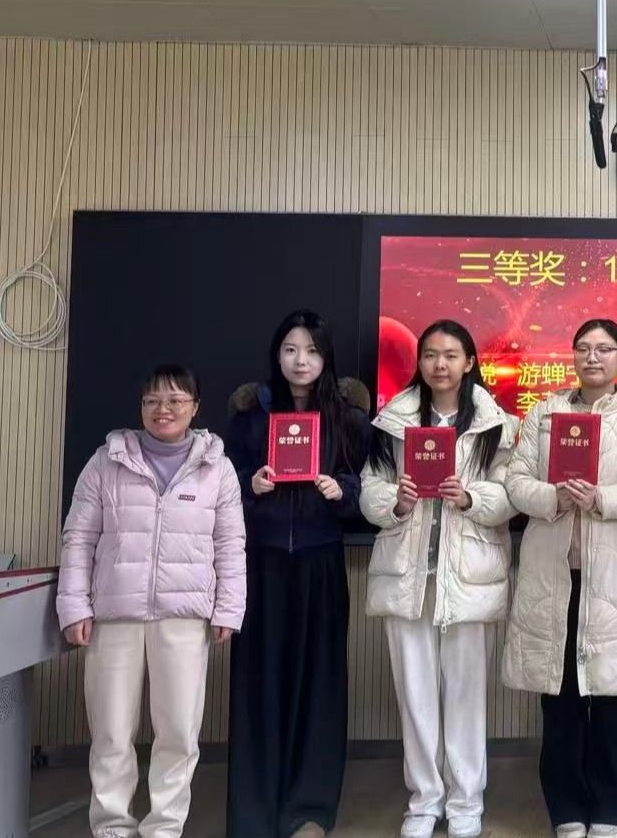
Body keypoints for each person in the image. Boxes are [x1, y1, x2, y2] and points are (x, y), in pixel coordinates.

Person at [55, 364, 246, 838]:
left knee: (178, 732)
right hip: (113, 614)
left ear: (195, 407)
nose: (164, 409)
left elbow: (230, 543)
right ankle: (112, 825)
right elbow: (78, 538)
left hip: (185, 615)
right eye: (153, 401)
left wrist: (228, 608)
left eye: (176, 400)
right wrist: (73, 605)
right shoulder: (107, 461)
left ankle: (164, 826)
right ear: (140, 407)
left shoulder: (216, 467)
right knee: (111, 731)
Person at [502, 318, 617, 838]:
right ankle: (566, 810)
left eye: (604, 349)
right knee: (560, 700)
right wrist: (552, 496)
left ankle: (610, 809)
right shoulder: (544, 412)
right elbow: (515, 480)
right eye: (583, 348)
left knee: (615, 698)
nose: (592, 357)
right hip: (554, 577)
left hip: (616, 580)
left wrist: (600, 498)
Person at [359, 320, 520, 838]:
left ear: (470, 362)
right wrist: (397, 502)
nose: (440, 364)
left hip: (468, 576)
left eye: (451, 355)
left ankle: (466, 800)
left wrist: (471, 497)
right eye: (430, 354)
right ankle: (424, 799)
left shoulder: (496, 424)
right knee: (415, 696)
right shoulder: (393, 420)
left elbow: (510, 494)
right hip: (408, 576)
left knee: (466, 697)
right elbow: (370, 489)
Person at [224, 310, 370, 838]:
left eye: (311, 351)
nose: (300, 361)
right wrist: (250, 484)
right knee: (257, 686)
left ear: (325, 358)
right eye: (290, 350)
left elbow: (363, 488)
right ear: (277, 355)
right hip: (260, 565)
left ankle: (309, 811)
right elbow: (224, 484)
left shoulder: (348, 419)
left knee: (319, 685)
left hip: (320, 563)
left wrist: (341, 491)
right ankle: (254, 812)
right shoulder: (250, 416)